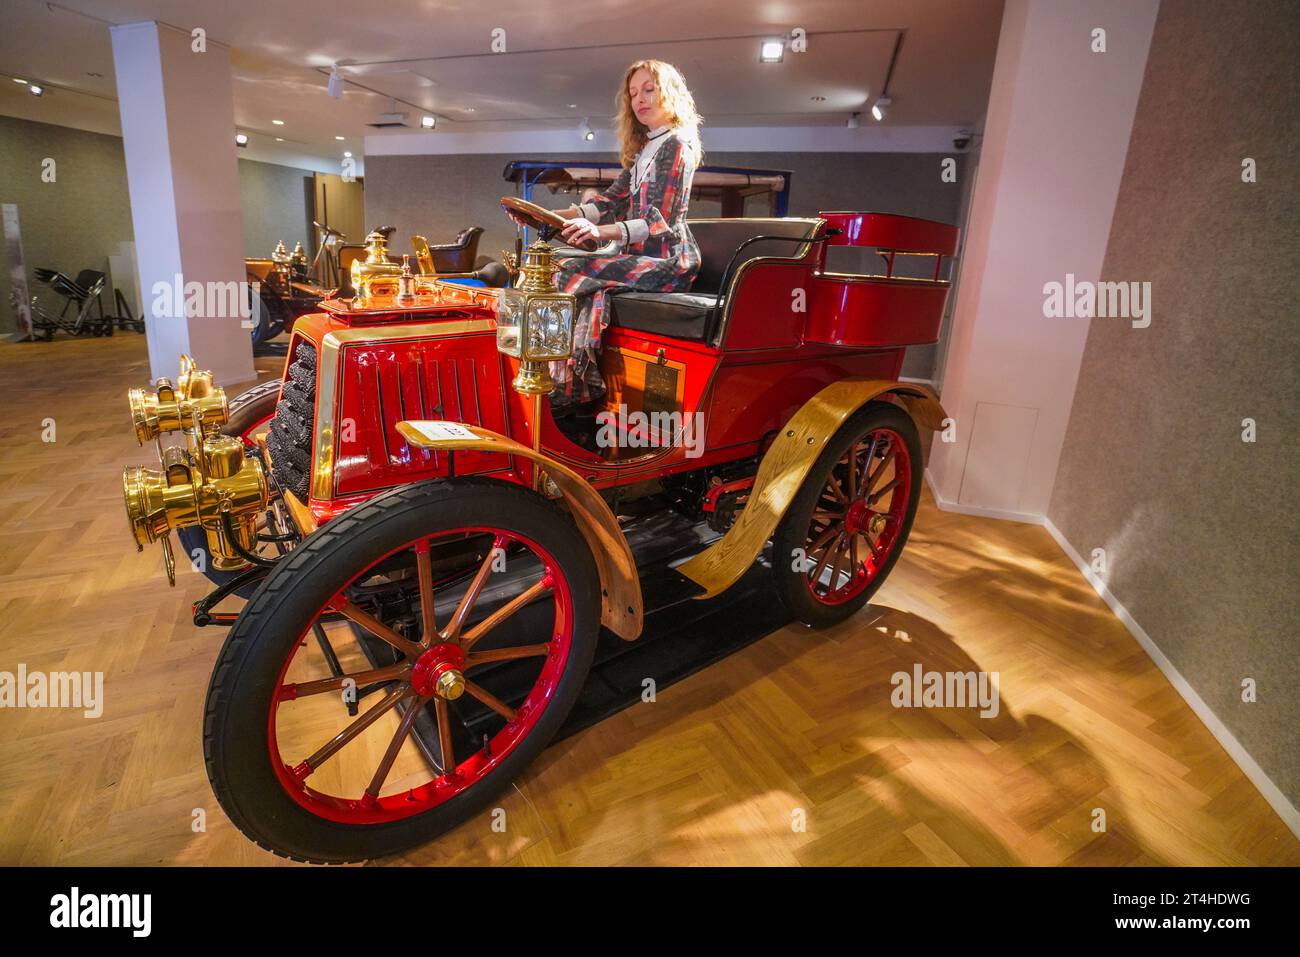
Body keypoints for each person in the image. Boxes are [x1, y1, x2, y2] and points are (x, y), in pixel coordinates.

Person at [509, 59, 703, 408]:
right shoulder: (645, 150)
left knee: (568, 270)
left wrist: (597, 232)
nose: (639, 99)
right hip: (641, 255)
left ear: (669, 92)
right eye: (633, 93)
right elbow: (607, 201)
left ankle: (565, 380)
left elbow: (661, 222)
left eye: (649, 89)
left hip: (668, 260)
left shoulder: (677, 145)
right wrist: (544, 215)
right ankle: (560, 371)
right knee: (558, 265)